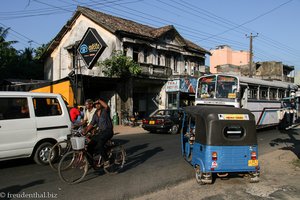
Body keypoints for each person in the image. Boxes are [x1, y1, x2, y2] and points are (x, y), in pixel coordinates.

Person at [83, 98, 113, 167]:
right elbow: (91, 124)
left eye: (99, 104)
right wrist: (86, 131)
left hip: (108, 131)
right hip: (101, 132)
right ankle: (92, 163)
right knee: (89, 146)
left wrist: (99, 100)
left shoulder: (105, 111)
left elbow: (106, 106)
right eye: (96, 104)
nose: (97, 105)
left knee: (100, 145)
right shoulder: (95, 114)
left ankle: (106, 160)